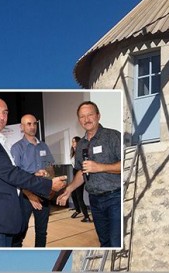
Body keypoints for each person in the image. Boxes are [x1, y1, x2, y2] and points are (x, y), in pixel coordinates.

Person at [0, 97, 67, 247]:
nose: (1, 116)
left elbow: (8, 172)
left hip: (2, 215)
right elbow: (11, 174)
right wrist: (48, 185)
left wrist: (39, 178)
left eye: (5, 112)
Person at [57, 101, 121, 247]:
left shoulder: (113, 136)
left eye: (90, 115)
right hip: (95, 201)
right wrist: (68, 190)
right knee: (104, 242)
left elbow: (125, 164)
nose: (87, 119)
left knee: (116, 242)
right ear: (79, 120)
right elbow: (81, 172)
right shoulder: (81, 145)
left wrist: (100, 167)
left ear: (98, 116)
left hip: (115, 198)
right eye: (82, 116)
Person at [10, 114, 55, 248]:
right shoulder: (17, 148)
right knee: (20, 232)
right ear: (22, 127)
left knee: (42, 233)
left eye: (34, 123)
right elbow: (15, 175)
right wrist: (30, 195)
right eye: (28, 124)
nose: (32, 127)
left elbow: (51, 169)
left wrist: (48, 173)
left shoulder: (43, 146)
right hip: (25, 196)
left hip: (43, 194)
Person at [69, 136, 91, 222]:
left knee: (79, 196)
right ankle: (77, 210)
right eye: (72, 142)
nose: (73, 144)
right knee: (73, 194)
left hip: (81, 173)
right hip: (75, 173)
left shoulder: (81, 151)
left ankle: (86, 216)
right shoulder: (73, 152)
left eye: (74, 142)